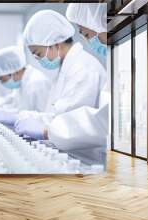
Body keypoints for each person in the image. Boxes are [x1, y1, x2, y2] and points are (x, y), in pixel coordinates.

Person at [14, 10, 108, 149]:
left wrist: (42, 128)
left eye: (38, 54)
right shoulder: (65, 69)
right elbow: (55, 116)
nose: (38, 60)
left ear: (56, 44)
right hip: (70, 150)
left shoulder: (83, 69)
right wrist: (22, 117)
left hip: (85, 154)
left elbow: (73, 125)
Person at [0, 46, 50, 127]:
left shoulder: (36, 84)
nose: (2, 82)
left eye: (2, 79)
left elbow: (43, 119)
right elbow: (12, 102)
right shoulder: (22, 82)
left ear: (14, 72)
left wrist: (13, 117)